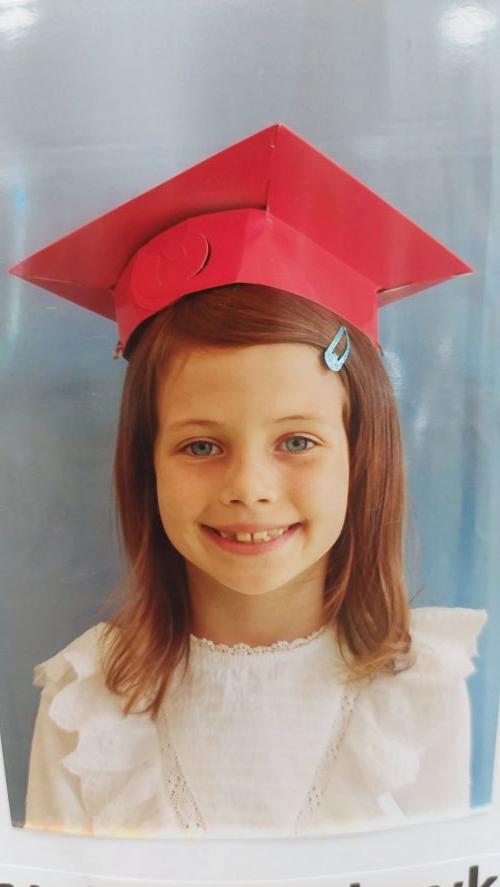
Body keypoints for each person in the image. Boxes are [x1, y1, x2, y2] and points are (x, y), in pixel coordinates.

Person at [11, 124, 486, 839]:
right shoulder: (87, 707)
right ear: (146, 461)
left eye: (297, 441)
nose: (250, 487)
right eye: (201, 445)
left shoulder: (418, 696)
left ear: (361, 455)